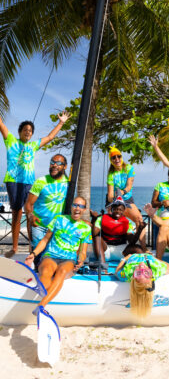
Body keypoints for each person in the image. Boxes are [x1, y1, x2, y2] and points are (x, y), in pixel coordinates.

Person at [0, 112, 70, 258]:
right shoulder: (11, 140)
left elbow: (50, 137)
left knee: (31, 214)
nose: (28, 132)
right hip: (14, 182)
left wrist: (61, 122)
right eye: (25, 130)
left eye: (30, 131)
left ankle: (33, 247)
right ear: (20, 132)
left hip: (29, 183)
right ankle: (14, 248)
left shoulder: (33, 145)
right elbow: (1, 125)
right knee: (16, 214)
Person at [24, 197, 92, 313]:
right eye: (75, 205)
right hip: (50, 256)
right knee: (46, 271)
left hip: (69, 260)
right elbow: (45, 240)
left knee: (62, 272)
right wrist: (33, 254)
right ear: (71, 207)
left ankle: (40, 306)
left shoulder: (86, 228)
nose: (77, 208)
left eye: (80, 206)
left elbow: (83, 252)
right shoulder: (58, 219)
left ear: (84, 209)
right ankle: (38, 295)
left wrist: (81, 260)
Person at [25, 154, 69, 267]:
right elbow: (29, 204)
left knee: (52, 258)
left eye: (59, 163)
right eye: (52, 162)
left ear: (65, 167)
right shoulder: (41, 182)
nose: (54, 165)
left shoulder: (69, 184)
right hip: (39, 226)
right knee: (37, 257)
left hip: (57, 228)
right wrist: (30, 216)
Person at [115, 247, 169, 318]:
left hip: (133, 254)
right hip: (147, 256)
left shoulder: (128, 274)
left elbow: (117, 272)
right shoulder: (156, 270)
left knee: (133, 248)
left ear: (133, 278)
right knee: (139, 249)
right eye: (146, 272)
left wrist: (125, 259)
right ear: (151, 276)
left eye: (138, 273)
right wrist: (155, 259)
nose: (142, 265)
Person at [107, 146, 146, 249]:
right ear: (111, 161)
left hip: (127, 199)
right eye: (113, 158)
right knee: (108, 222)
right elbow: (110, 194)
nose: (116, 159)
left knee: (139, 219)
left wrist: (121, 193)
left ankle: (144, 247)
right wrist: (114, 200)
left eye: (118, 156)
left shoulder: (129, 168)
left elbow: (129, 186)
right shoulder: (111, 174)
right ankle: (110, 246)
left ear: (121, 157)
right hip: (116, 202)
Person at [92, 196, 146, 263]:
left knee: (137, 248)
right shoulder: (101, 218)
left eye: (120, 210)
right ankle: (102, 267)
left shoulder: (127, 222)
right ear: (112, 209)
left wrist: (139, 230)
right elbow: (94, 234)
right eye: (115, 209)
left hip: (122, 251)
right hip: (106, 250)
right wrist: (94, 220)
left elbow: (132, 242)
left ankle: (142, 268)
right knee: (97, 238)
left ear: (124, 211)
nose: (118, 211)